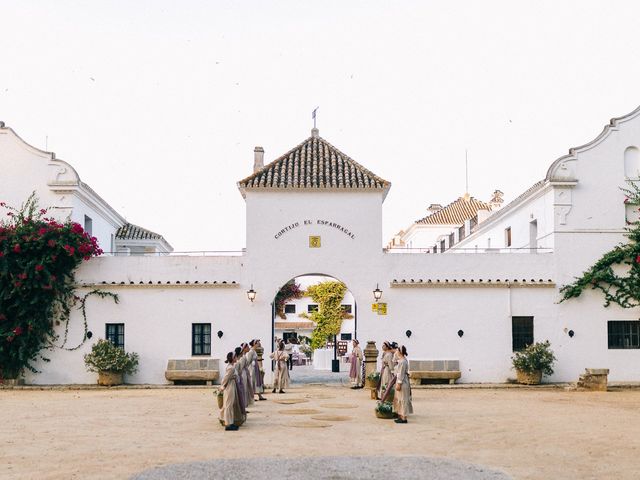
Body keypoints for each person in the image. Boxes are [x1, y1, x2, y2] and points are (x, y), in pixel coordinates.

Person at [219, 351, 242, 431]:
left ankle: (228, 421)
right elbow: (225, 378)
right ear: (233, 358)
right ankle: (228, 424)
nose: (236, 358)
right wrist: (222, 387)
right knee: (228, 405)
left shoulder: (231, 366)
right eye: (235, 357)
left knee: (229, 404)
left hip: (232, 385)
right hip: (230, 386)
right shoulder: (231, 368)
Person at [393, 345, 413, 424]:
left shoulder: (402, 361)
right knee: (400, 398)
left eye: (397, 350)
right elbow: (394, 360)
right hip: (403, 380)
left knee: (403, 399)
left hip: (402, 382)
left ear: (400, 352)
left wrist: (399, 383)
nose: (396, 352)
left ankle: (404, 418)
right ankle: (401, 416)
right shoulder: (402, 360)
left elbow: (400, 373)